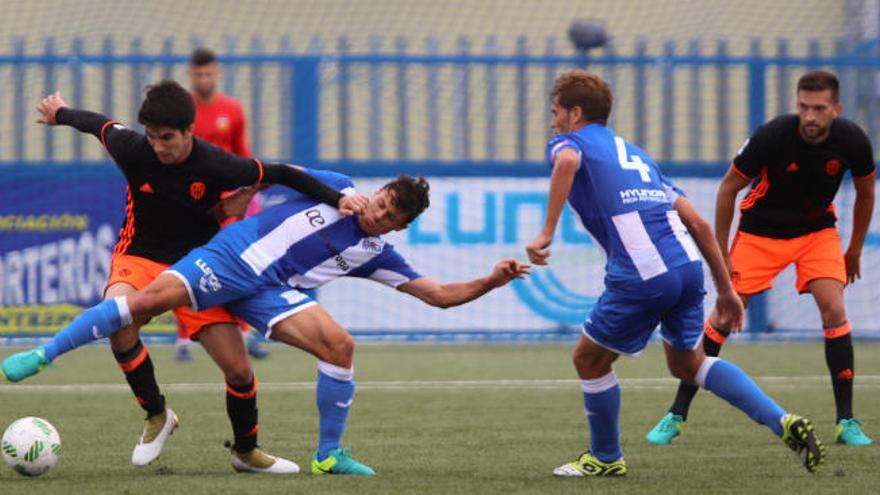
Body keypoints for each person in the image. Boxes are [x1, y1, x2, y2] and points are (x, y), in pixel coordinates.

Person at [2, 172, 531, 475]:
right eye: (382, 203)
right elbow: (275, 172)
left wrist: (491, 279)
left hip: (266, 292)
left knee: (338, 347)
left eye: (392, 218)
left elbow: (437, 296)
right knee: (139, 307)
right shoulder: (339, 187)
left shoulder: (374, 252)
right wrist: (230, 205)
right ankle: (45, 354)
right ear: (378, 192)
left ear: (400, 226)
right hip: (229, 258)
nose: (379, 216)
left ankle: (326, 455)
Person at [4, 81, 368, 474]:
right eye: (153, 137)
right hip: (140, 255)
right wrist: (60, 113)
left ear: (189, 132)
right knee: (120, 321)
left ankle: (246, 453)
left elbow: (279, 172)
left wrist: (339, 200)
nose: (159, 146)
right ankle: (157, 414)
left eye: (168, 138)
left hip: (199, 266)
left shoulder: (216, 163)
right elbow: (99, 125)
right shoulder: (134, 149)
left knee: (239, 370)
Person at [526, 69, 825, 477]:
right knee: (689, 364)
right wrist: (725, 290)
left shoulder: (570, 142)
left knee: (588, 360)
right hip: (686, 267)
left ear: (575, 113)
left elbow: (565, 159)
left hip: (644, 273)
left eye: (556, 112)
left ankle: (606, 458)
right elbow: (699, 224)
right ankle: (782, 420)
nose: (552, 121)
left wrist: (546, 231)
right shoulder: (638, 156)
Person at [645, 70, 874, 448]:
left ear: (837, 108)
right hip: (759, 233)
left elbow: (866, 193)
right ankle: (676, 413)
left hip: (817, 233)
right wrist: (720, 253)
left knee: (834, 309)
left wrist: (853, 250)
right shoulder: (773, 136)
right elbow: (728, 189)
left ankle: (846, 421)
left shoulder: (852, 141)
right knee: (723, 315)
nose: (810, 117)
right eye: (803, 107)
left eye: (819, 108)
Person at [176, 46, 267, 362]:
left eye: (208, 72)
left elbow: (242, 152)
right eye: (198, 74)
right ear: (191, 75)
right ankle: (184, 339)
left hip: (228, 201)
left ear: (217, 72)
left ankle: (245, 332)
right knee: (185, 262)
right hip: (194, 200)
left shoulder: (233, 110)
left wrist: (251, 189)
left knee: (236, 262)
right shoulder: (183, 110)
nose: (204, 78)